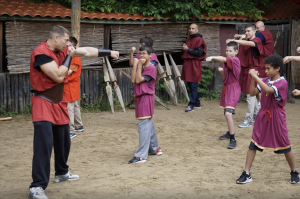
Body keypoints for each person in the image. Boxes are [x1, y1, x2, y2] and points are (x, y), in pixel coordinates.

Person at [29, 25, 119, 199]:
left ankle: (61, 173)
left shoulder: (63, 50)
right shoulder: (41, 53)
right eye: (65, 40)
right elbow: (57, 75)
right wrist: (70, 56)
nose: (67, 44)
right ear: (56, 38)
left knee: (64, 140)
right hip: (43, 102)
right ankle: (37, 187)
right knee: (45, 144)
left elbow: (87, 52)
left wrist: (109, 52)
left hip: (59, 102)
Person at [236, 54, 299, 184]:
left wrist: (255, 77)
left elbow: (268, 90)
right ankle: (246, 173)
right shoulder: (264, 79)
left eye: (268, 68)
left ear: (277, 69)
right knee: (253, 144)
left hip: (277, 117)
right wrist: (253, 79)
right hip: (263, 116)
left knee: (285, 145)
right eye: (265, 68)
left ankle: (294, 172)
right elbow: (253, 93)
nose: (266, 71)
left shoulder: (282, 82)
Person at [128, 45, 162, 164]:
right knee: (148, 124)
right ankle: (155, 148)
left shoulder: (151, 68)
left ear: (150, 55)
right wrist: (135, 65)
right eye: (140, 53)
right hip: (140, 98)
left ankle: (141, 155)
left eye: (144, 53)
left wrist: (140, 65)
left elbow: (138, 80)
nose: (141, 55)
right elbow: (133, 80)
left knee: (143, 126)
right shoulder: (140, 66)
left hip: (146, 98)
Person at [227, 24, 264, 128]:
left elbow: (250, 43)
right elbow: (239, 50)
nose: (246, 33)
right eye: (245, 31)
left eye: (248, 31)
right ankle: (256, 115)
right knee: (250, 95)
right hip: (245, 70)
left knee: (250, 95)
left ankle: (248, 120)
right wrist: (238, 40)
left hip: (253, 70)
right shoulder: (244, 42)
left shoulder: (257, 41)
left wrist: (234, 41)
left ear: (254, 31)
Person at [206, 42, 241, 149]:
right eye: (227, 51)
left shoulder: (235, 60)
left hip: (234, 89)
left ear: (236, 52)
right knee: (226, 113)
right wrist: (221, 72)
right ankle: (229, 132)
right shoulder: (227, 63)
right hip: (227, 88)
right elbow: (225, 78)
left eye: (230, 51)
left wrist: (212, 57)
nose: (228, 53)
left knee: (228, 114)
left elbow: (222, 59)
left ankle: (233, 139)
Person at [235, 21, 274, 109]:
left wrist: (238, 39)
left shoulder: (262, 35)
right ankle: (257, 111)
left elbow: (252, 42)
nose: (257, 30)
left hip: (260, 65)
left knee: (255, 91)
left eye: (257, 28)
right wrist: (242, 37)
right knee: (257, 89)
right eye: (255, 28)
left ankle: (252, 116)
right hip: (259, 64)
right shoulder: (260, 34)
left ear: (263, 27)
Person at [181, 23, 207, 112]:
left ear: (197, 30)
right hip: (188, 63)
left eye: (193, 28)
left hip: (194, 64)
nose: (191, 30)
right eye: (190, 28)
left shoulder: (199, 40)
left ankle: (191, 105)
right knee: (190, 84)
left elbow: (199, 53)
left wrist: (187, 49)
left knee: (193, 85)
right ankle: (197, 103)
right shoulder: (189, 39)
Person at [63, 37, 84, 139]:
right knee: (75, 106)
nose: (67, 47)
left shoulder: (74, 57)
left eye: (69, 45)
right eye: (66, 45)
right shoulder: (72, 56)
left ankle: (71, 131)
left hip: (70, 86)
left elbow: (69, 72)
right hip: (72, 86)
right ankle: (79, 126)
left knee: (69, 108)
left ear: (74, 46)